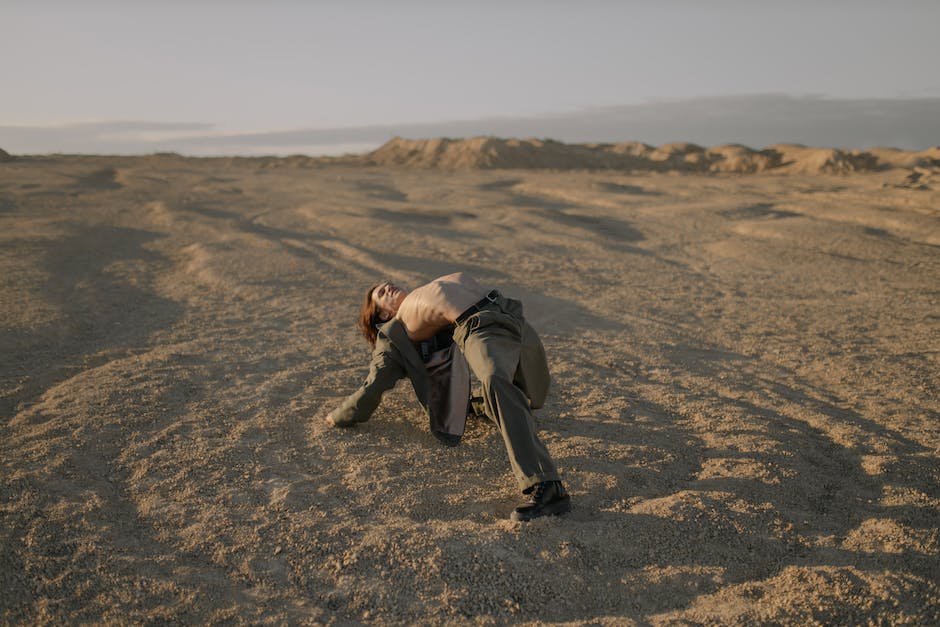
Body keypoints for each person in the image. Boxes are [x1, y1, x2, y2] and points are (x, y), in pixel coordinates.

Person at [326, 272, 571, 521]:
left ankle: (487, 407)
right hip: (479, 327)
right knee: (496, 382)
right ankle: (546, 484)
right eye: (380, 293)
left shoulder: (425, 293)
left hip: (509, 313)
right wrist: (340, 415)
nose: (387, 287)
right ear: (383, 315)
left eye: (386, 285)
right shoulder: (394, 331)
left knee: (531, 394)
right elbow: (374, 384)